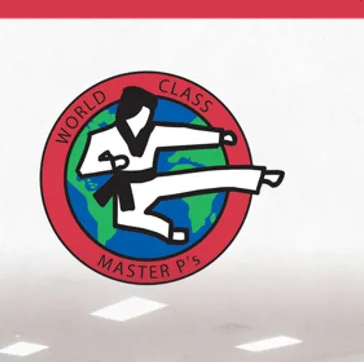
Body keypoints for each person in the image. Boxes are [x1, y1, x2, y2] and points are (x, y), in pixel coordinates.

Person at [77, 85, 284, 244]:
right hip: (126, 190)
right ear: (128, 112)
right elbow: (85, 168)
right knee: (128, 220)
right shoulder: (102, 137)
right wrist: (113, 164)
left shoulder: (153, 132)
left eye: (148, 116)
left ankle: (261, 177)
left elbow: (183, 135)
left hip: (152, 180)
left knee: (201, 179)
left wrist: (219, 137)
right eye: (141, 115)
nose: (145, 121)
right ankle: (168, 232)